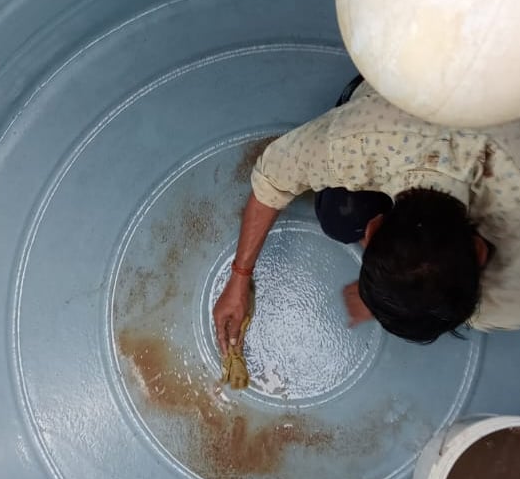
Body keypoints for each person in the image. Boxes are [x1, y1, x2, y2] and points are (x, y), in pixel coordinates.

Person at [213, 77, 520, 355]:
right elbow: (272, 178)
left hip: (484, 96)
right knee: (340, 217)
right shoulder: (355, 141)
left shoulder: (507, 300)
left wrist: (396, 295)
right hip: (407, 93)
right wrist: (239, 277)